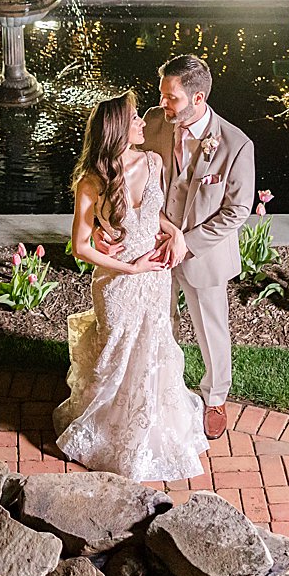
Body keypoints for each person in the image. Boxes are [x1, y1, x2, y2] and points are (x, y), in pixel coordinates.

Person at [53, 91, 210, 482]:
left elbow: (153, 216)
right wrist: (129, 267)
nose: (142, 122)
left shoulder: (153, 162)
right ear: (119, 129)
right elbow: (81, 246)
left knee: (155, 352)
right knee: (117, 357)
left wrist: (175, 234)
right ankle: (106, 432)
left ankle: (150, 429)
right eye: (136, 117)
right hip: (118, 282)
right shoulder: (91, 181)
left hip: (155, 274)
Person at [140, 54, 255, 441]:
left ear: (198, 98)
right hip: (154, 244)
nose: (162, 104)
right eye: (162, 95)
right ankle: (163, 390)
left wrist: (185, 242)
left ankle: (215, 396)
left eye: (171, 97)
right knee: (159, 321)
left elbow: (236, 211)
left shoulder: (236, 146)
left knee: (211, 330)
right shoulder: (156, 122)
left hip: (202, 254)